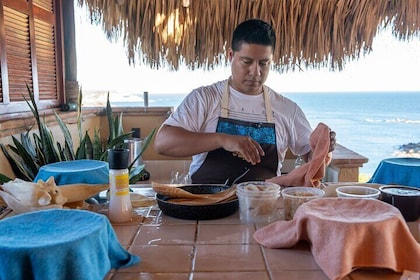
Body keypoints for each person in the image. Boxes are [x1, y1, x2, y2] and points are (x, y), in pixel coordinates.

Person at [154, 19, 336, 184]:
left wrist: (322, 147)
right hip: (207, 207)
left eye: (264, 63)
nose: (255, 72)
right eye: (246, 62)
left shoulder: (287, 109)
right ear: (231, 56)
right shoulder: (204, 98)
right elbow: (163, 143)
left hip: (263, 207)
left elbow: (310, 156)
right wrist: (222, 139)